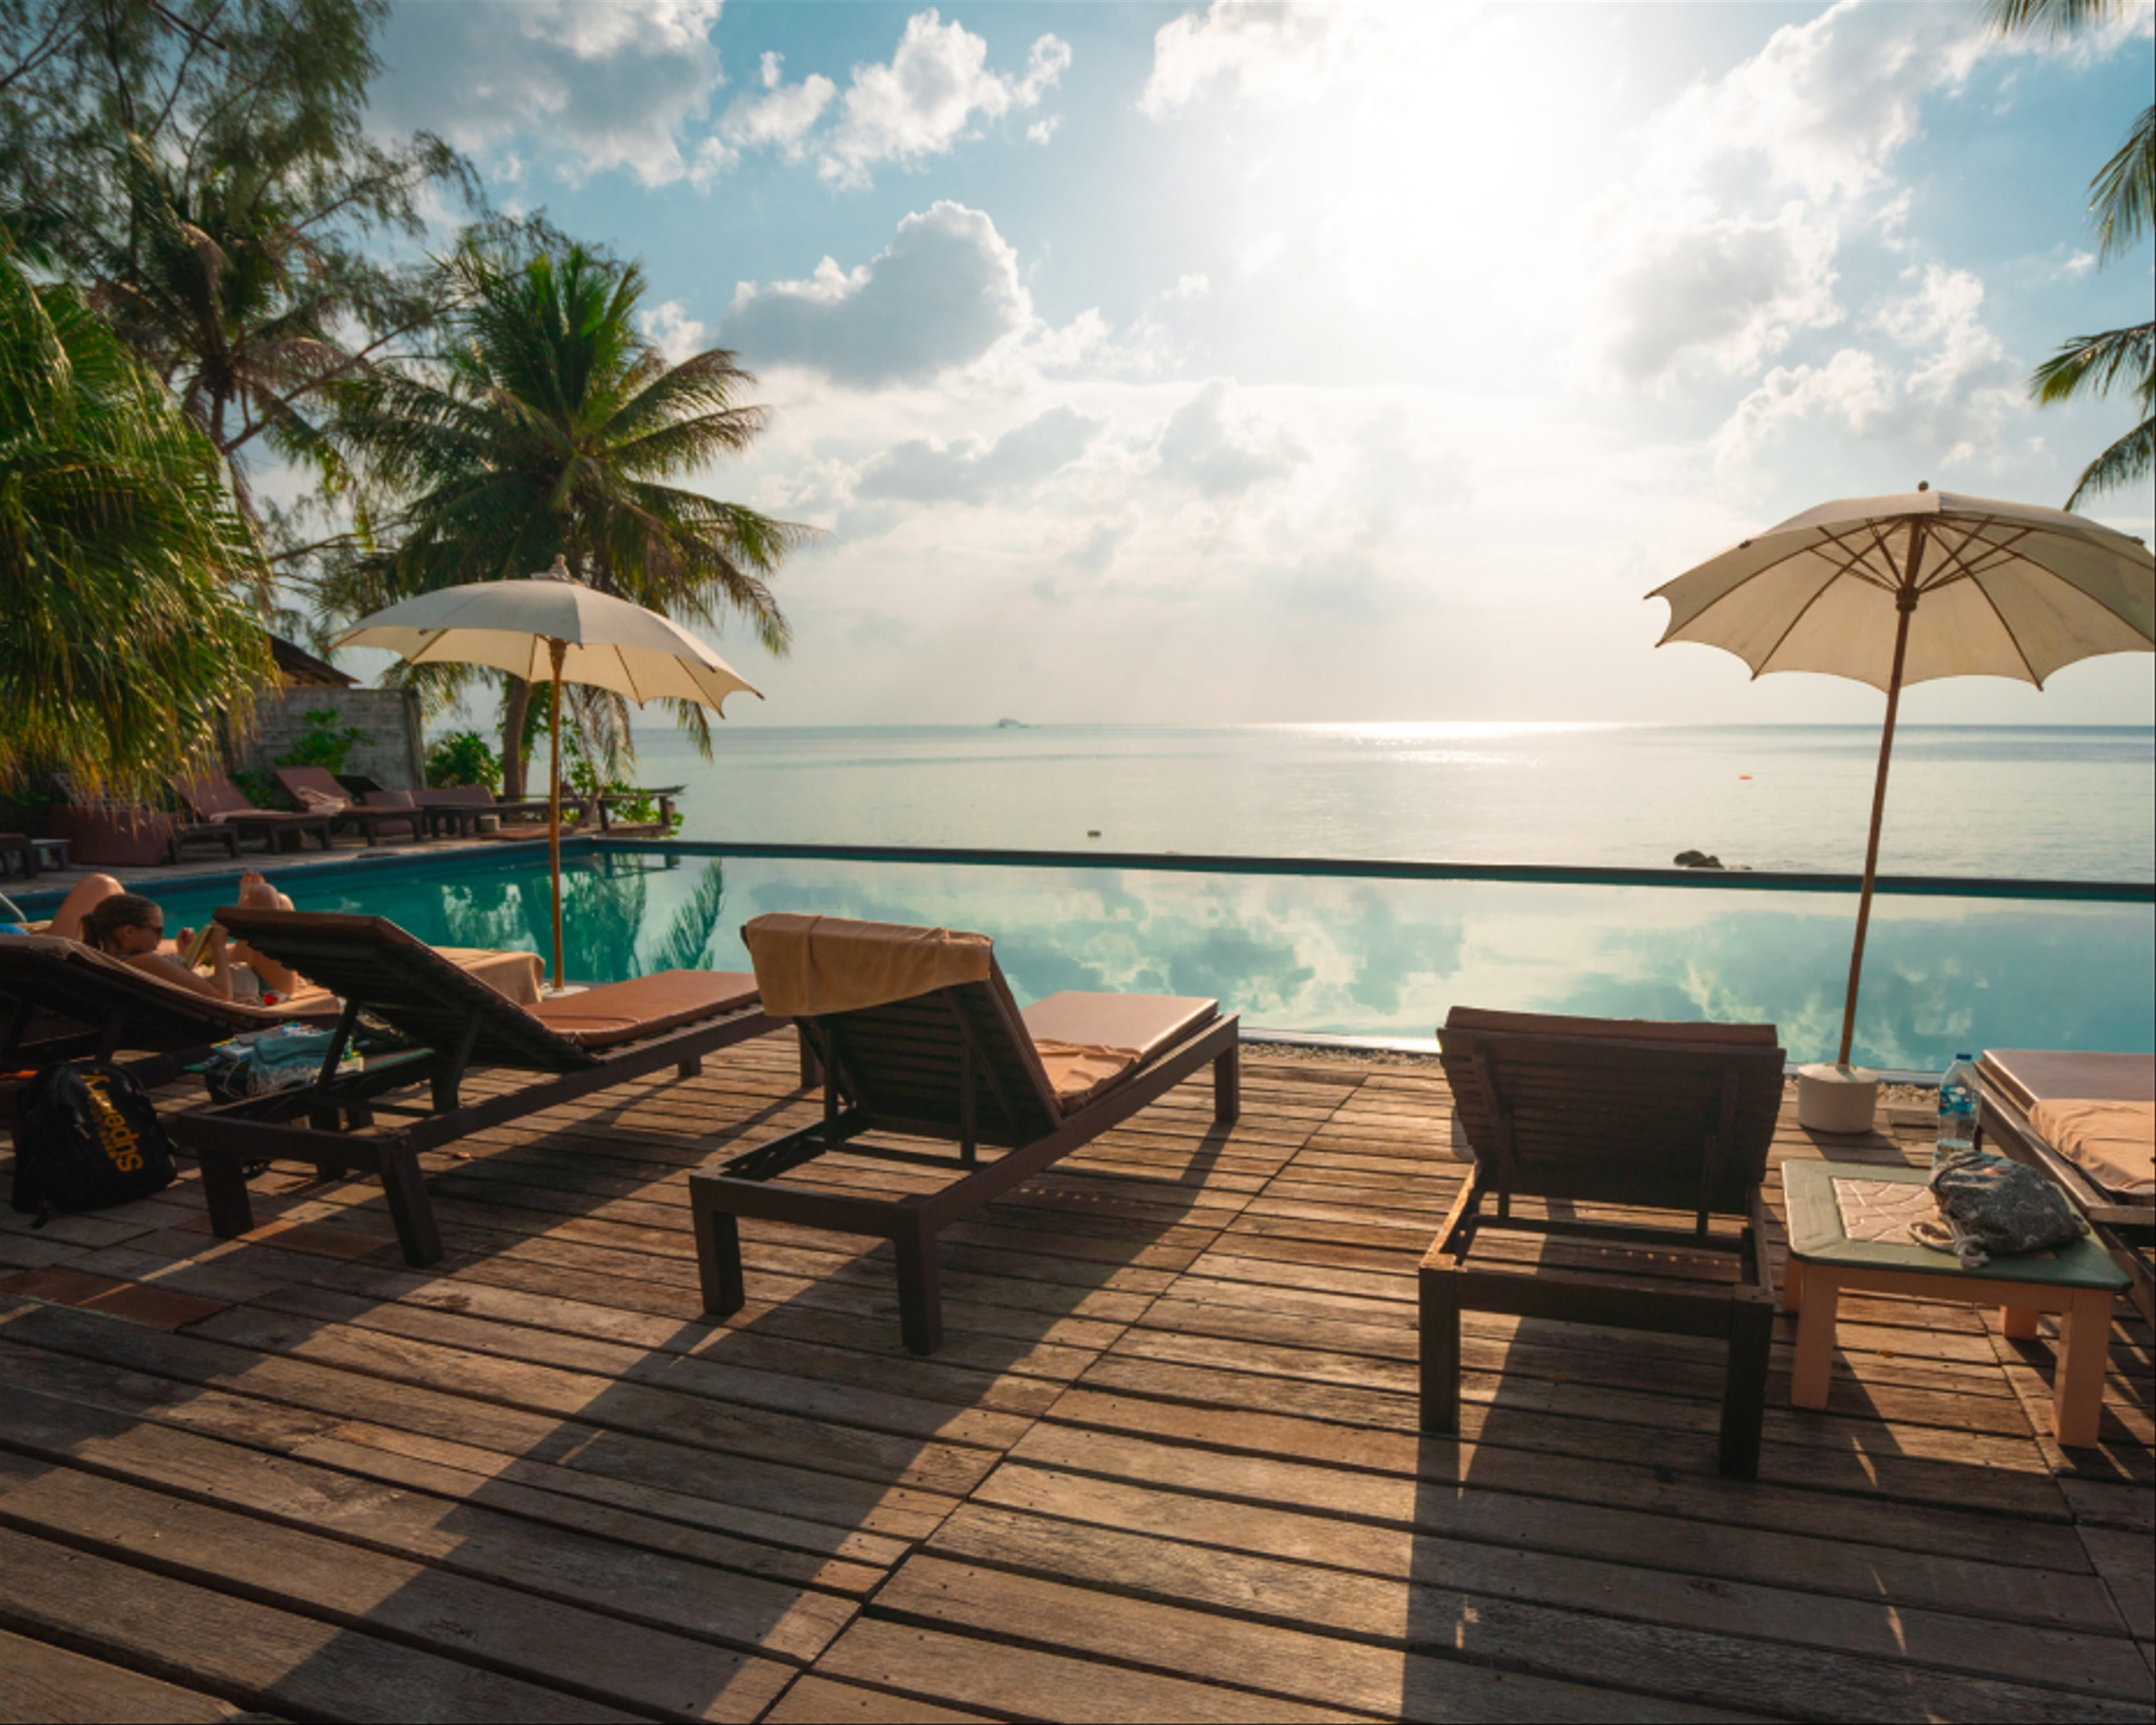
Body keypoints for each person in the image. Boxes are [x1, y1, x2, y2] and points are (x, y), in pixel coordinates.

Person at [51, 870, 303, 998]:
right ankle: (245, 914)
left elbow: (187, 985)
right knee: (268, 896)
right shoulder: (144, 961)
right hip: (264, 988)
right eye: (157, 931)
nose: (162, 939)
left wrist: (186, 956)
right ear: (129, 932)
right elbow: (221, 996)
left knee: (275, 900)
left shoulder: (112, 961)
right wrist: (216, 946)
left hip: (245, 973)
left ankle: (245, 914)